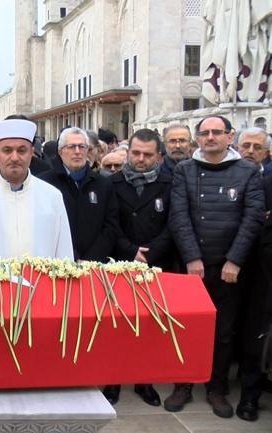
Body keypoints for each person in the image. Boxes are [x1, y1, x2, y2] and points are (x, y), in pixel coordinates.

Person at [166, 115, 264, 419]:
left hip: (229, 268)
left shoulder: (247, 172)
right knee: (186, 327)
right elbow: (178, 215)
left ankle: (216, 387)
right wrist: (192, 258)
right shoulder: (184, 170)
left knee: (223, 332)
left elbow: (253, 217)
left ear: (229, 136)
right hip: (192, 266)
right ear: (198, 137)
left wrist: (234, 260)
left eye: (216, 132)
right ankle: (183, 384)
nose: (210, 137)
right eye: (204, 132)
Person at [104, 128, 175, 407]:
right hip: (120, 261)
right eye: (135, 153)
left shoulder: (170, 183)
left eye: (147, 154)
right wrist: (130, 250)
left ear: (158, 156)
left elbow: (174, 222)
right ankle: (113, 379)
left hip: (157, 262)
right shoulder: (111, 183)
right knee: (117, 323)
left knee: (148, 325)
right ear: (128, 152)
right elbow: (109, 223)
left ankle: (144, 380)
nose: (140, 159)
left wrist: (152, 251)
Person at [0, 118, 73, 259]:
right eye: (7, 150)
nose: (15, 157)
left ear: (31, 152)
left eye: (21, 150)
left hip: (39, 280)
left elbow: (64, 254)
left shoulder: (52, 196)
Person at [38, 127, 120, 262]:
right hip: (58, 263)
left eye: (82, 147)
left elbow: (111, 226)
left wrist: (91, 259)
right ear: (60, 151)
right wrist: (71, 257)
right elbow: (43, 226)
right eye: (71, 147)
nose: (77, 152)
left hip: (95, 264)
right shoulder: (44, 183)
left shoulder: (103, 184)